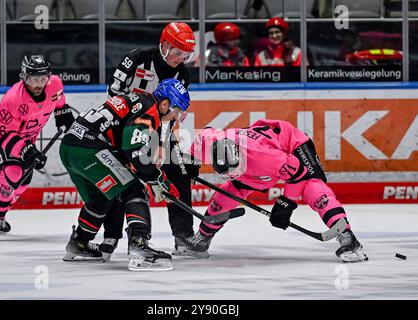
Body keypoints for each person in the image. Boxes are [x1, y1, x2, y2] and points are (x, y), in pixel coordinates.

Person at [182, 119, 368, 263]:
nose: (234, 174)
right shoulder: (211, 143)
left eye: (235, 169)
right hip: (261, 153)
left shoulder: (267, 159)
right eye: (227, 172)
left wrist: (286, 204)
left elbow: (298, 173)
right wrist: (191, 165)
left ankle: (347, 236)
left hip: (294, 146)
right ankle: (203, 238)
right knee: (226, 195)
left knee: (314, 189)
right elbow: (203, 135)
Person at [60, 78, 190, 271]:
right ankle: (139, 244)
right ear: (165, 104)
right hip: (90, 148)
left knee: (101, 199)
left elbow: (125, 146)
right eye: (177, 112)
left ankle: (79, 243)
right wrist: (158, 178)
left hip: (70, 148)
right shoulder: (149, 110)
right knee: (135, 190)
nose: (175, 118)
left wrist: (151, 173)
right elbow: (134, 149)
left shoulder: (138, 100)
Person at [107, 22, 200, 258]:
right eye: (177, 52)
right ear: (165, 45)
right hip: (123, 130)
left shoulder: (182, 73)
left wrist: (165, 146)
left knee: (178, 172)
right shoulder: (136, 60)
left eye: (186, 55)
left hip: (158, 130)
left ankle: (183, 235)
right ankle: (110, 237)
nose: (180, 58)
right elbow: (113, 94)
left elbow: (172, 114)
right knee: (121, 180)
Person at [0, 54, 75, 239]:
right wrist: (28, 151)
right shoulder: (13, 98)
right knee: (13, 172)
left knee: (23, 183)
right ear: (24, 77)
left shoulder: (55, 84)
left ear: (48, 77)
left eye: (42, 79)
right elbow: (7, 136)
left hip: (25, 140)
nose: (38, 84)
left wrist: (63, 114)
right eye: (33, 79)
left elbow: (59, 102)